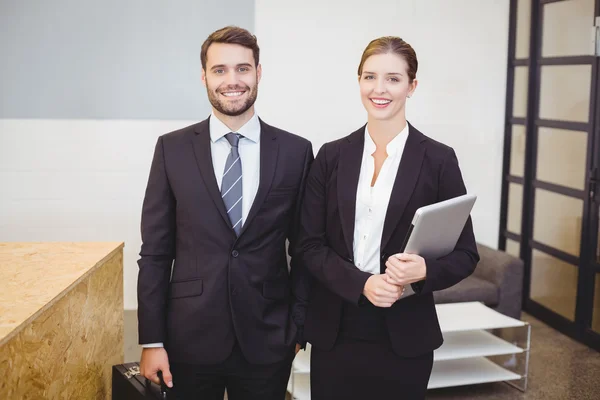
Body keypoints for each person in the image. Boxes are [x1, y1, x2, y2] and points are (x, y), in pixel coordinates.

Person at [297, 36, 480, 399]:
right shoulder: (331, 157)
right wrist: (361, 283)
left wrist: (425, 270)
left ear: (412, 86)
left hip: (406, 335)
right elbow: (308, 244)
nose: (379, 89)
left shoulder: (439, 160)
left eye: (393, 79)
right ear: (359, 81)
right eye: (370, 77)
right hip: (337, 329)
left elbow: (466, 254)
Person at [137, 26, 313, 400]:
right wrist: (152, 340)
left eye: (242, 69)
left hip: (268, 338)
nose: (232, 81)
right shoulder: (172, 150)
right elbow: (154, 253)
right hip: (188, 337)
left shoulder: (296, 151)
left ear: (258, 73)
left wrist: (299, 325)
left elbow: (306, 247)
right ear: (204, 77)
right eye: (220, 70)